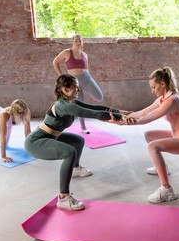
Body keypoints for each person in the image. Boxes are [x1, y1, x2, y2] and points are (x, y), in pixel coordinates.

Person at [24, 74, 127, 211]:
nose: (78, 91)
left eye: (78, 88)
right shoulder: (64, 106)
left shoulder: (72, 102)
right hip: (36, 142)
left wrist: (120, 112)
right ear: (65, 90)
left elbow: (96, 108)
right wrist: (122, 118)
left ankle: (75, 169)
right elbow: (95, 115)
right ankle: (63, 198)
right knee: (69, 152)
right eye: (75, 88)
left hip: (50, 137)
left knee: (78, 140)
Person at [123, 67, 179, 204]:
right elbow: (142, 113)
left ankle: (166, 190)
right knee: (149, 135)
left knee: (153, 147)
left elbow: (148, 118)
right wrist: (122, 115)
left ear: (162, 84)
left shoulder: (172, 100)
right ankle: (162, 167)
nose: (152, 91)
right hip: (176, 135)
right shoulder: (163, 98)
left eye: (153, 87)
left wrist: (123, 123)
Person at [53, 33, 103, 134]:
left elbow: (87, 68)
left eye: (80, 40)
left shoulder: (85, 55)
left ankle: (93, 113)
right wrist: (62, 76)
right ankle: (83, 127)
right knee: (80, 105)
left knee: (99, 97)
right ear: (73, 41)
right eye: (76, 40)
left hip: (86, 78)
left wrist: (89, 79)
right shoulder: (67, 52)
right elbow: (55, 62)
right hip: (73, 82)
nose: (78, 42)